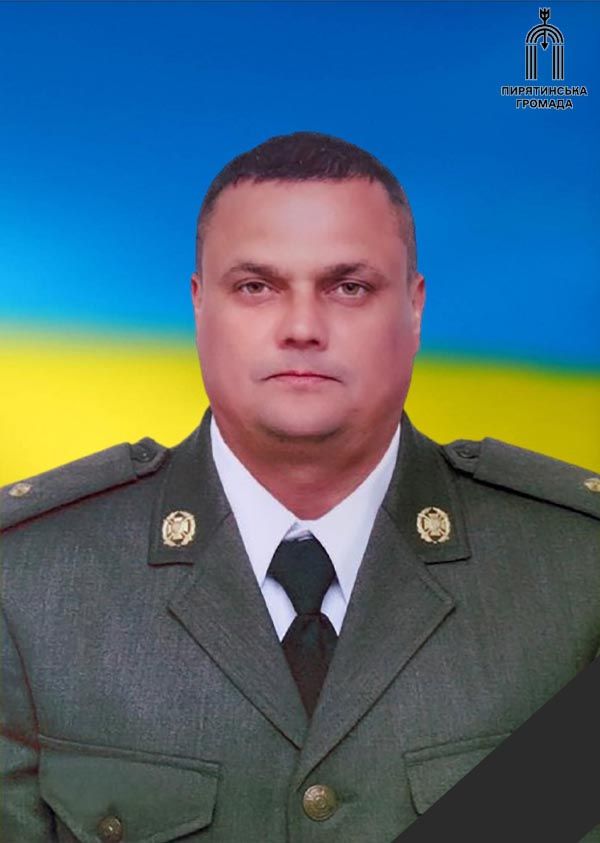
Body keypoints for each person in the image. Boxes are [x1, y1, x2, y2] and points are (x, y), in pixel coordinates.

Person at [1, 131, 599, 843]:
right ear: (199, 305)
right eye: (256, 287)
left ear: (414, 308)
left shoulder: (575, 571)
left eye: (350, 287)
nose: (303, 327)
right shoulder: (28, 580)